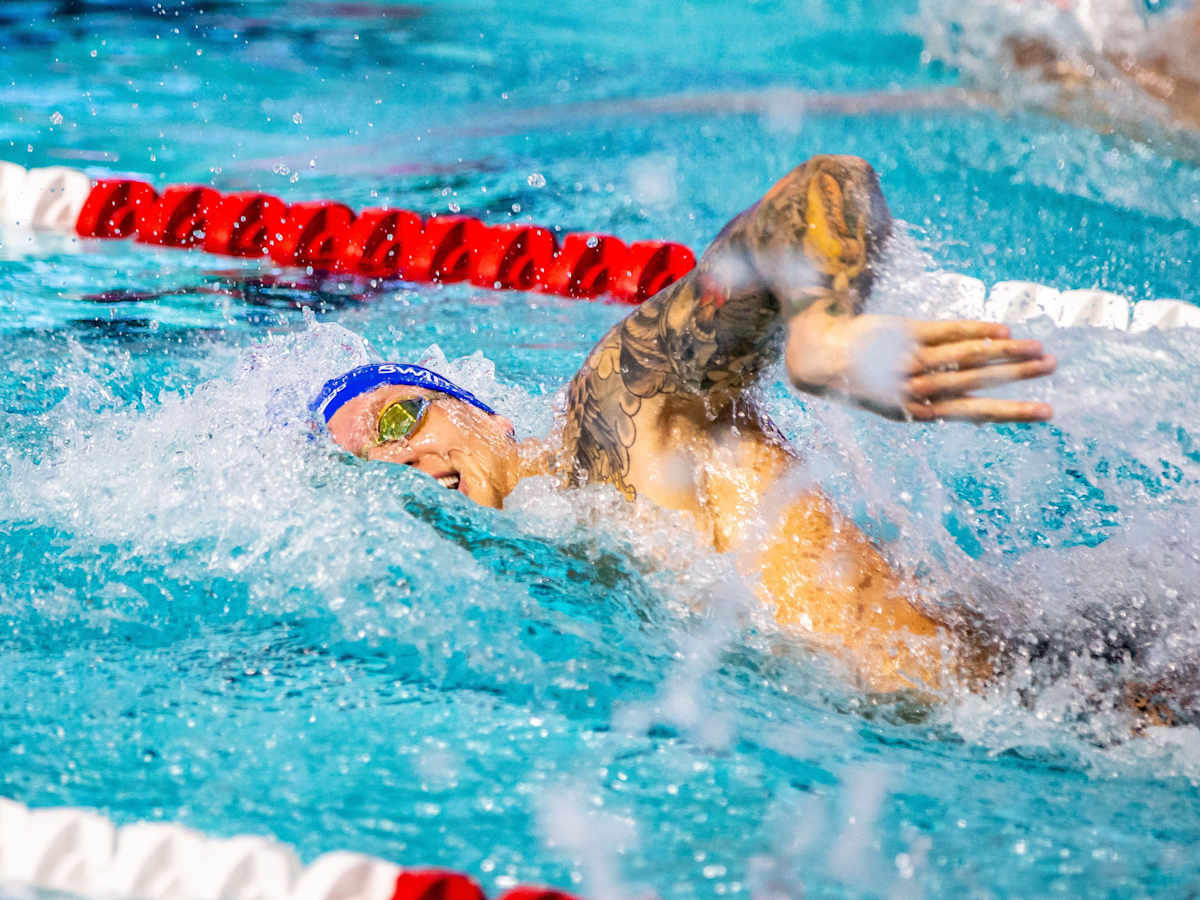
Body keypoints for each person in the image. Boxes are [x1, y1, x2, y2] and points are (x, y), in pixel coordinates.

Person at [309, 155, 1056, 696]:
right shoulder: (569, 556)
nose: (396, 459)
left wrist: (822, 325)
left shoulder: (614, 423)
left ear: (484, 416)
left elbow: (824, 184)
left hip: (1047, 708)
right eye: (366, 464)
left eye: (399, 418)